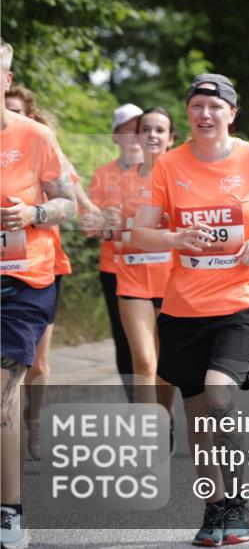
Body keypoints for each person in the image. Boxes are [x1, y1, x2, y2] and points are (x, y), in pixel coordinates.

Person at [131, 74, 249, 546]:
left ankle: (237, 502)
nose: (204, 115)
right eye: (196, 106)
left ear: (232, 113)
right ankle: (214, 507)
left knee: (218, 396)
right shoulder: (168, 165)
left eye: (214, 106)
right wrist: (175, 237)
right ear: (188, 113)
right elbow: (140, 233)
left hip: (244, 299)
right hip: (184, 307)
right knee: (197, 415)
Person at [1, 37, 77, 549]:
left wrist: (34, 213)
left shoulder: (35, 136)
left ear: (6, 80)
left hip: (23, 280)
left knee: (2, 392)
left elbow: (68, 202)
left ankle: (9, 511)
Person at [4, 85, 97, 460]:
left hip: (40, 265)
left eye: (16, 110)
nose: (10, 115)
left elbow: (73, 194)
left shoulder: (39, 144)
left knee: (38, 360)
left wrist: (88, 211)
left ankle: (34, 421)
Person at [115, 107, 177, 420]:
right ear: (138, 136)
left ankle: (163, 420)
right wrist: (112, 228)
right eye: (146, 129)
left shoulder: (183, 177)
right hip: (133, 279)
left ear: (171, 138)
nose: (152, 135)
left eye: (159, 130)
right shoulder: (121, 180)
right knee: (144, 361)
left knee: (166, 365)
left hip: (173, 281)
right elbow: (113, 234)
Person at [84, 102, 145, 392]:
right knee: (124, 338)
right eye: (126, 129)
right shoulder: (103, 175)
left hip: (159, 267)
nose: (133, 135)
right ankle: (138, 403)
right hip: (116, 269)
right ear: (115, 136)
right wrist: (103, 221)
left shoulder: (161, 170)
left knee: (161, 337)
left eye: (139, 129)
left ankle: (162, 400)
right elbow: (90, 225)